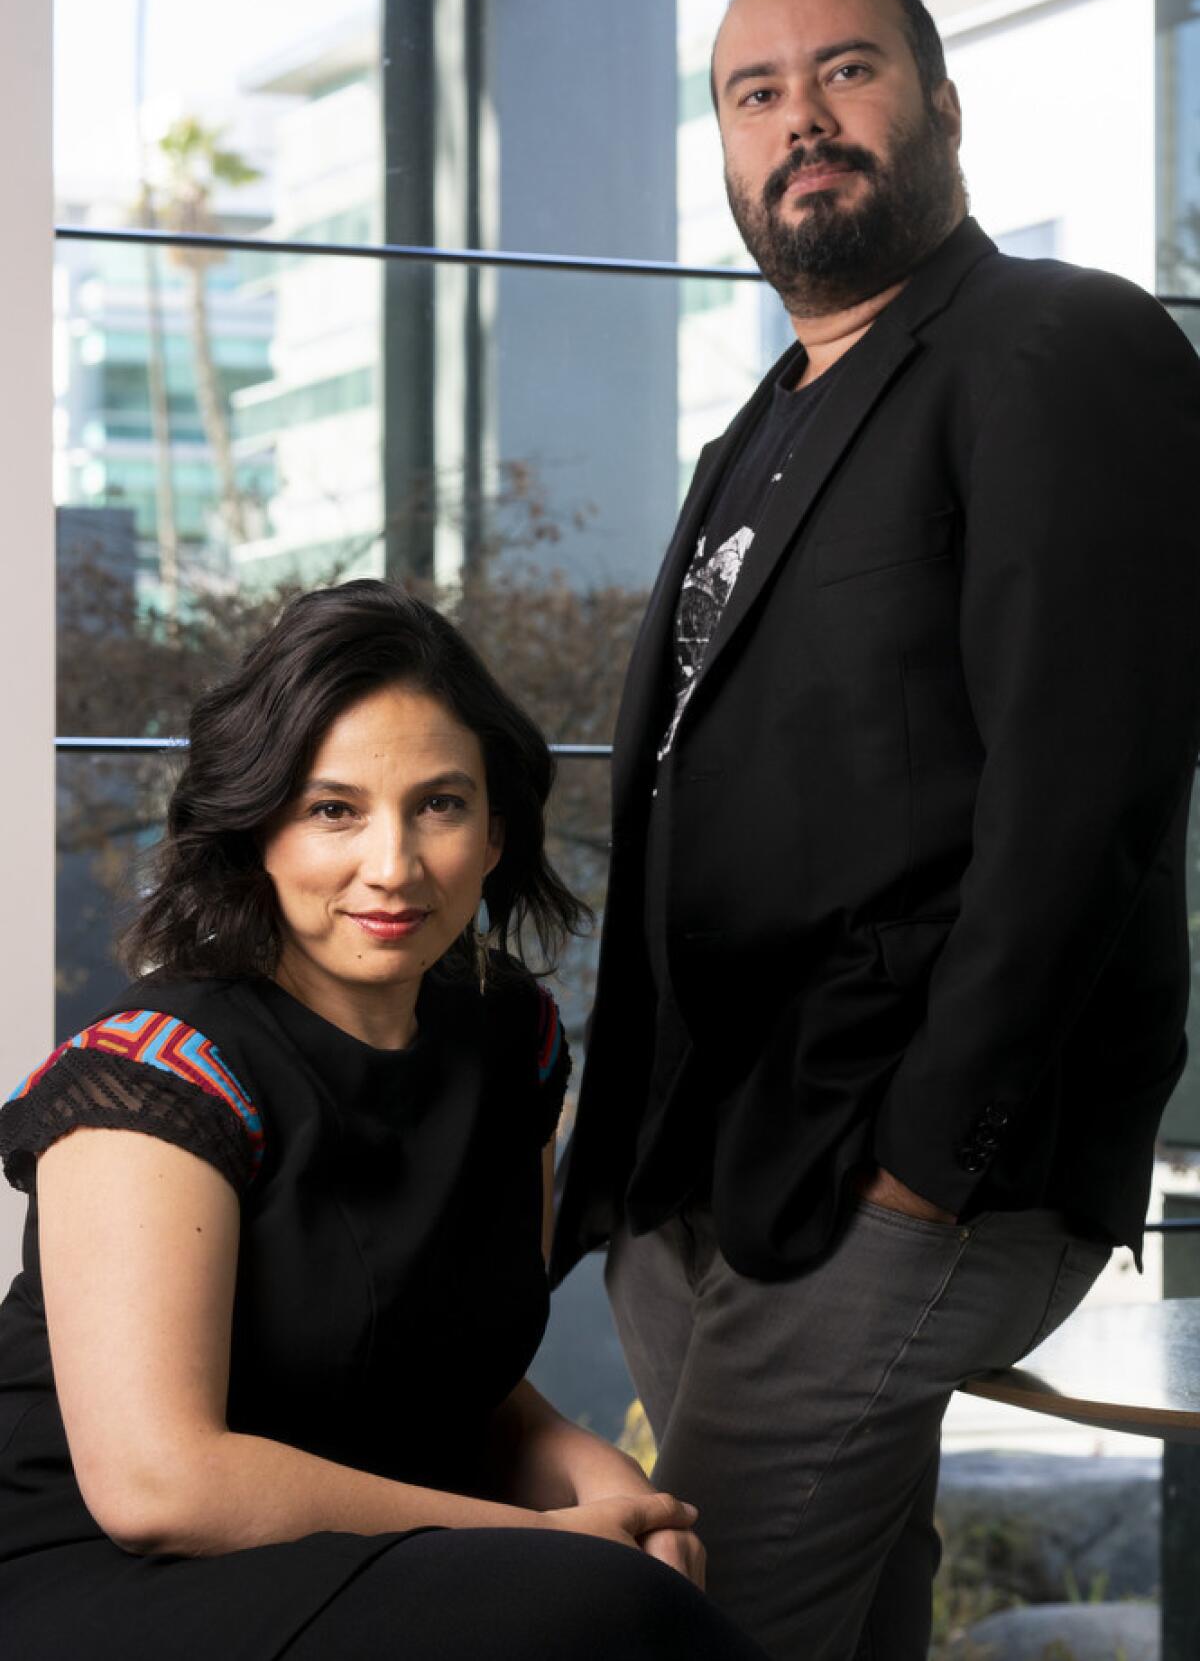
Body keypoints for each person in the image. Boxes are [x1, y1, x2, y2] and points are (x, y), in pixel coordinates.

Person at [550, 0, 1200, 1661]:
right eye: (756, 94)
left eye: (848, 73)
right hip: (713, 1173)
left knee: (709, 1633)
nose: (803, 120)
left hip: (898, 1174)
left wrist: (932, 1164)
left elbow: (1091, 788)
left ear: (941, 108)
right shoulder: (758, 430)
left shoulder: (1059, 344)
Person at [0, 579, 765, 1661]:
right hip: (102, 1574)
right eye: (334, 808)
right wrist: (550, 1540)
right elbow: (157, 1486)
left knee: (645, 1587)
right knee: (603, 1611)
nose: (394, 865)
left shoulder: (513, 1041)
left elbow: (458, 1376)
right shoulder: (157, 1072)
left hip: (369, 1548)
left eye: (441, 804)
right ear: (255, 825)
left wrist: (611, 1488)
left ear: (498, 830)